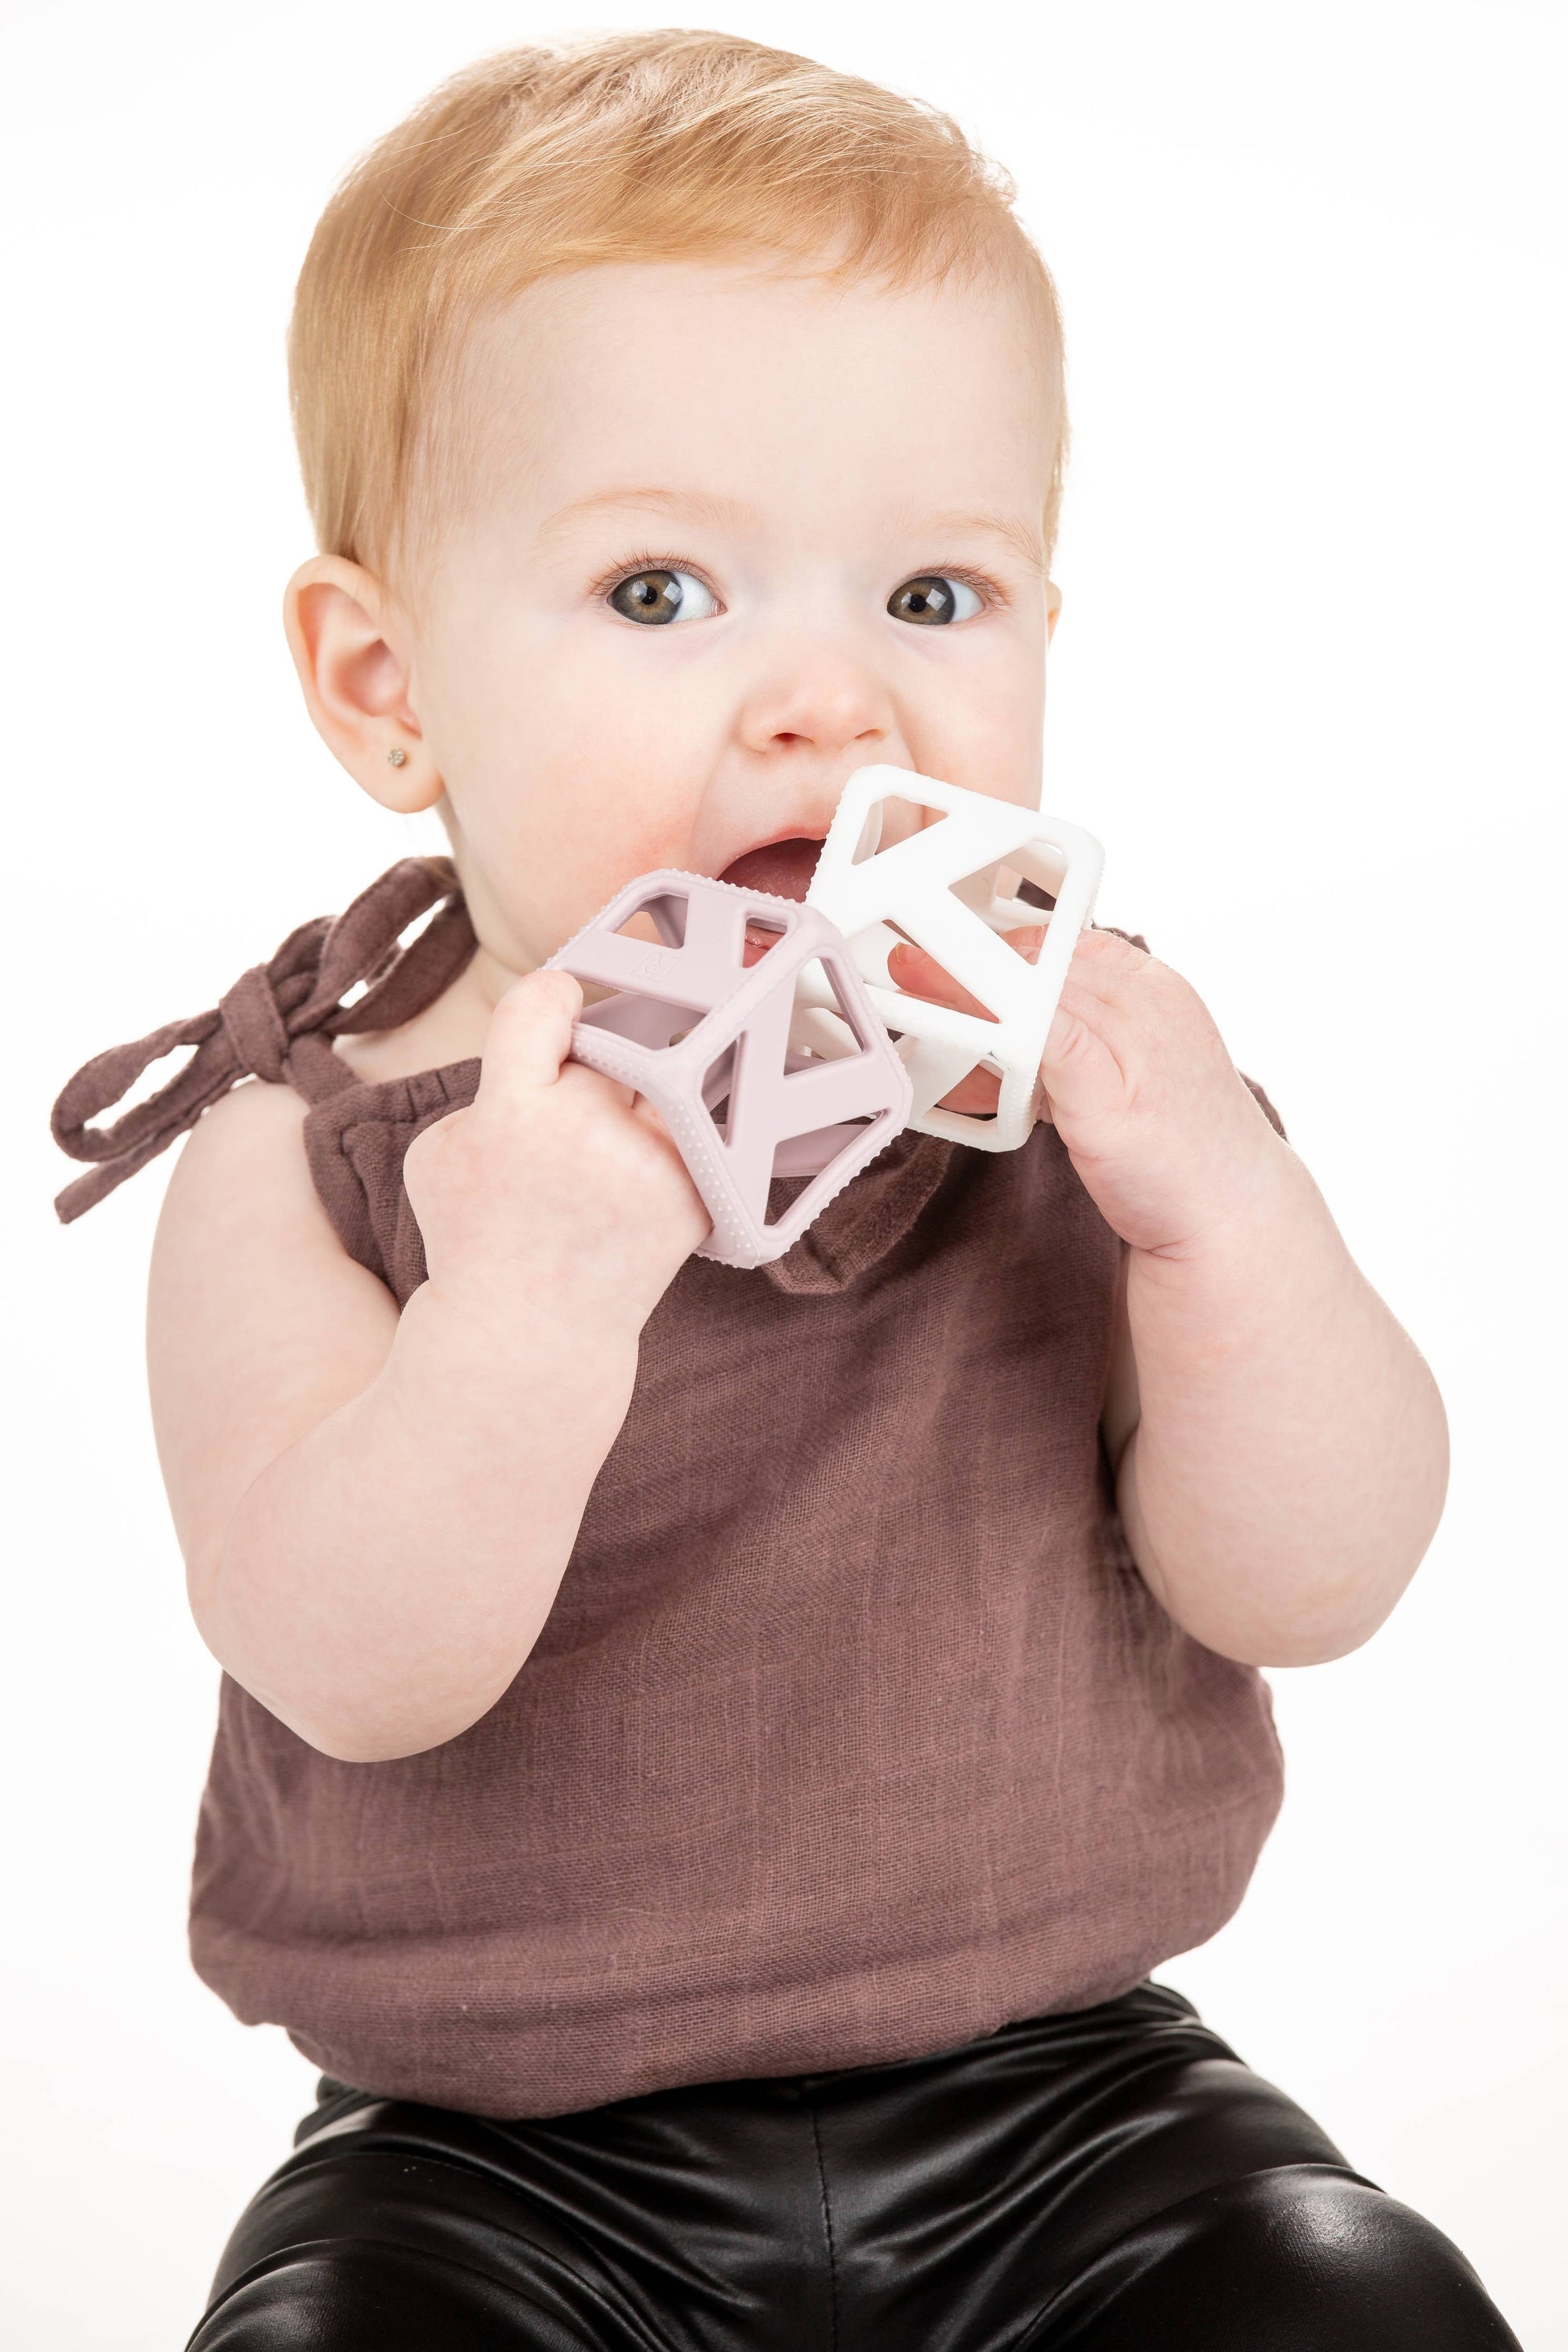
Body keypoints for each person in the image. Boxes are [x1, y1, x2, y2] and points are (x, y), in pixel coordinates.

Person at [52, 31, 1520, 2350]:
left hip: (1074, 2104)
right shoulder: (301, 1160)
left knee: (1362, 2304)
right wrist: (522, 1307)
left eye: (933, 598)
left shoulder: (1090, 1088)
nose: (828, 705)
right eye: (659, 594)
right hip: (488, 2163)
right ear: (384, 685)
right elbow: (351, 1672)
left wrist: (1226, 1221)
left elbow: (1309, 1576)